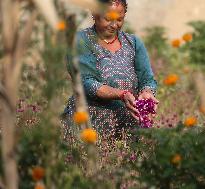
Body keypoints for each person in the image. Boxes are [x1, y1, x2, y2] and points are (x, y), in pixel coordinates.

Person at [61, 0, 158, 142]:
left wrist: (147, 93)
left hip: (128, 130)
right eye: (108, 19)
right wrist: (121, 94)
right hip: (89, 127)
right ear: (94, 13)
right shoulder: (81, 41)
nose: (114, 25)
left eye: (119, 19)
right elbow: (86, 82)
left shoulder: (134, 43)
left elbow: (147, 79)